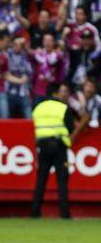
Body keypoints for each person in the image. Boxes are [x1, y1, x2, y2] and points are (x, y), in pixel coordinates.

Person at [31, 83, 75, 219]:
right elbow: (70, 127)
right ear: (56, 93)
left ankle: (35, 212)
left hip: (42, 147)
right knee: (62, 181)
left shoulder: (37, 108)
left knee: (41, 180)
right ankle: (64, 214)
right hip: (59, 146)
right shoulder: (62, 107)